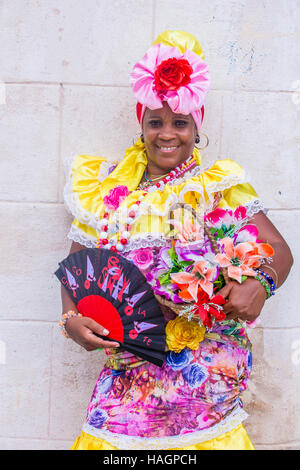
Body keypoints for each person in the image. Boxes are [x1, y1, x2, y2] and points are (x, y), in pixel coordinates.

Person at [59, 31, 293, 450]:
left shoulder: (214, 186)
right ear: (142, 126)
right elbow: (79, 270)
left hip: (205, 372)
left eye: (180, 122)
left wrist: (261, 281)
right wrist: (72, 321)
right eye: (156, 122)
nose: (167, 134)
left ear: (196, 126)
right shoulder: (109, 194)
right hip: (129, 369)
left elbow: (279, 251)